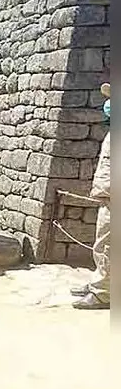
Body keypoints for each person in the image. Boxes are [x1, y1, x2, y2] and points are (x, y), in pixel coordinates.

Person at [72, 83, 110, 310]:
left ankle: (103, 292)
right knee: (104, 244)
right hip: (109, 197)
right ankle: (102, 282)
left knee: (108, 245)